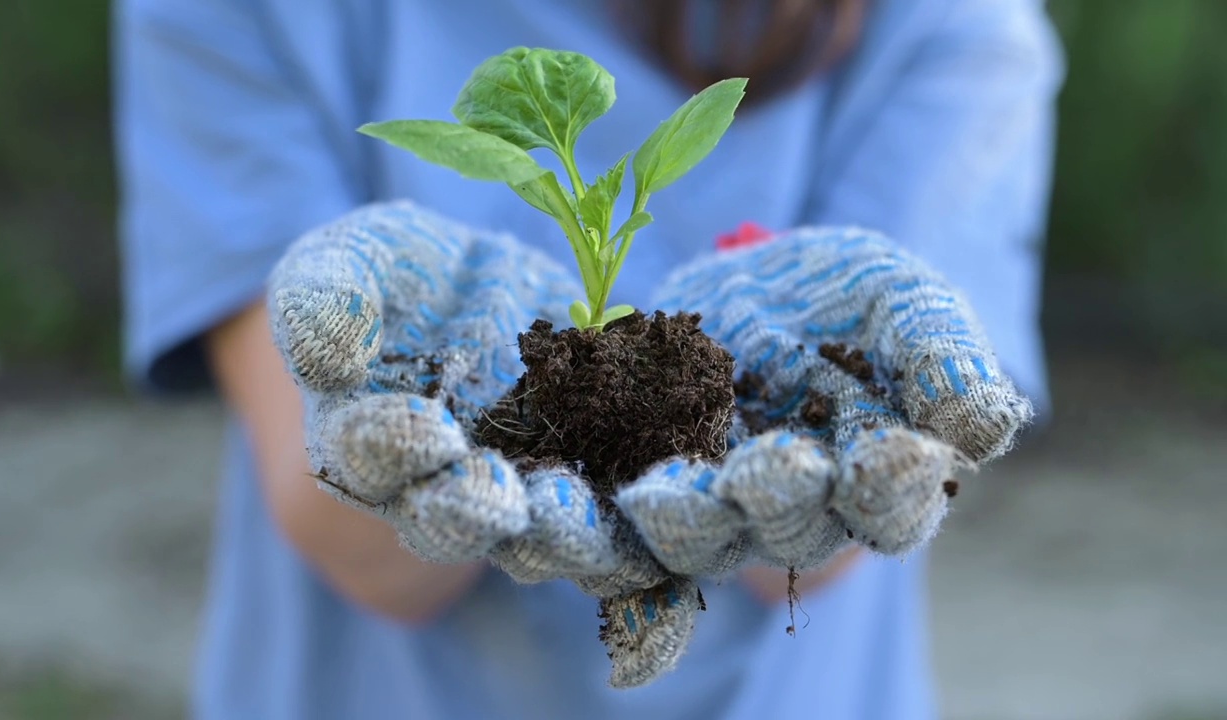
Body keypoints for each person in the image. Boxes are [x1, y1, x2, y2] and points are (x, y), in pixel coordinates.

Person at [114, 0, 1063, 717]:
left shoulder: (945, 22)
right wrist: (400, 392)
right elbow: (364, 547)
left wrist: (844, 428)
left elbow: (855, 506)